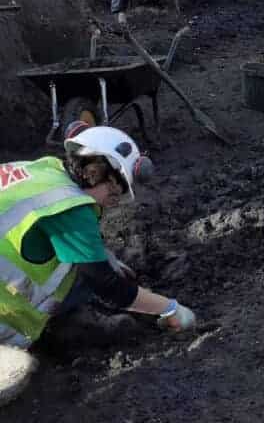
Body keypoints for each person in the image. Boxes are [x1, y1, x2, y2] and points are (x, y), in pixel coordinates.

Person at [0, 124, 196, 405]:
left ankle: (68, 323)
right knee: (18, 370)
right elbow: (108, 287)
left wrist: (103, 254)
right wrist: (170, 308)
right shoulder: (71, 206)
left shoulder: (46, 169)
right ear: (96, 173)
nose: (112, 203)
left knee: (78, 269)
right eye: (114, 192)